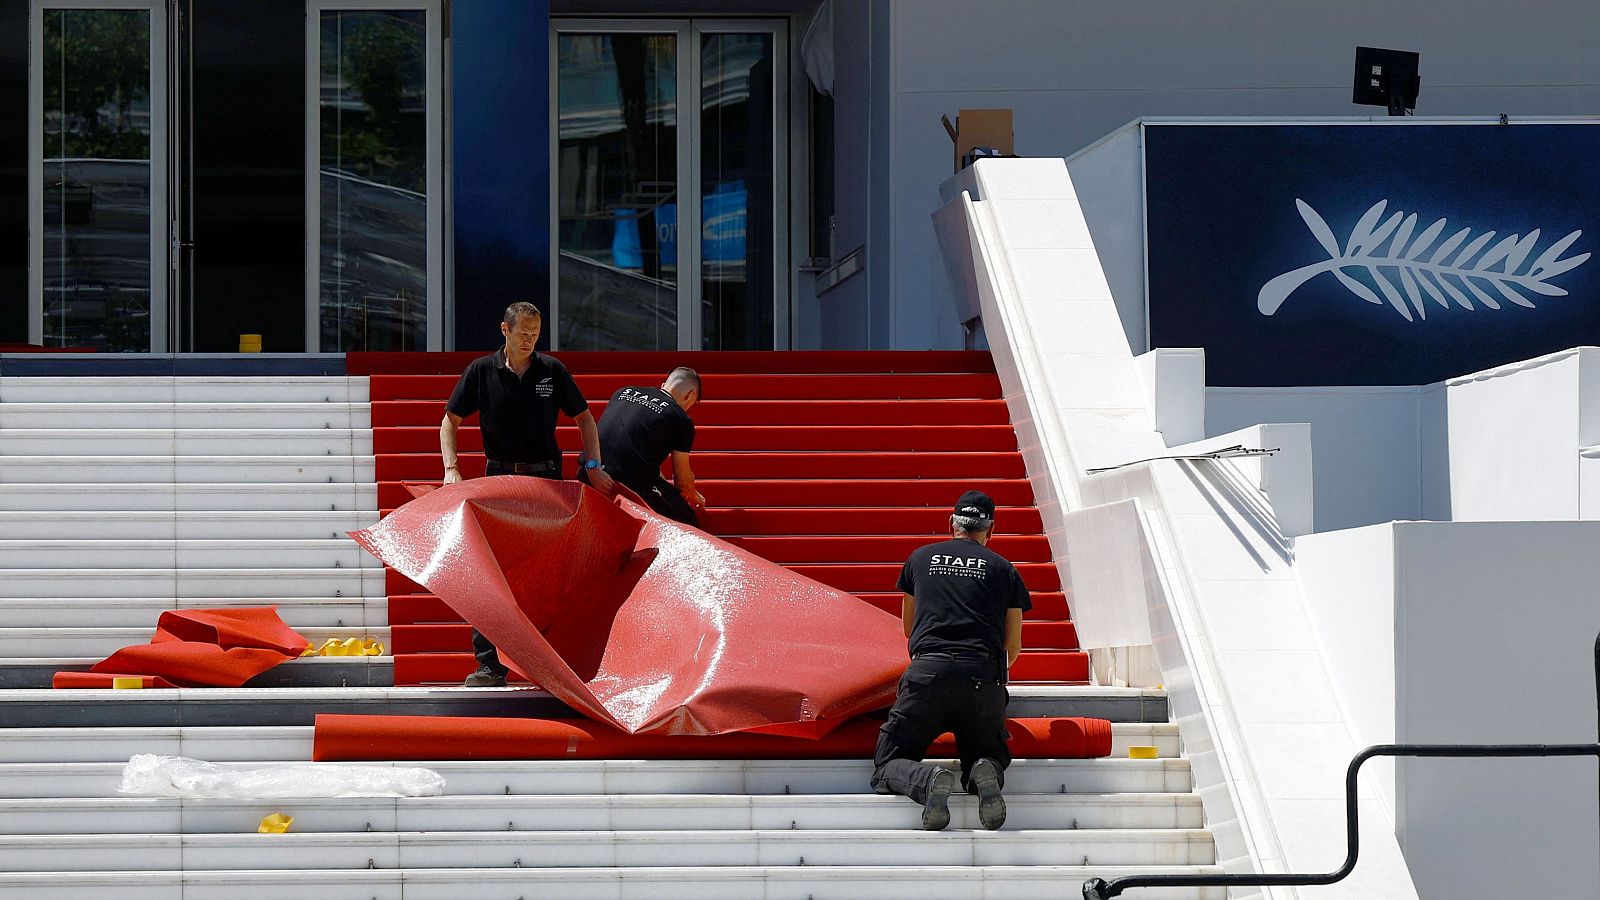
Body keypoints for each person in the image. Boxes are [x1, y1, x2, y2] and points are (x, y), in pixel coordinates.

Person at [439, 301, 615, 687]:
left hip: (545, 479)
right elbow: (449, 420)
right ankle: (489, 665)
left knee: (547, 573)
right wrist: (452, 469)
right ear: (504, 329)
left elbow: (584, 417)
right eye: (523, 334)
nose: (530, 340)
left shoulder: (552, 370)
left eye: (535, 334)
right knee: (492, 574)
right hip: (499, 479)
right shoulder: (482, 371)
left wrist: (594, 466)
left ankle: (549, 664)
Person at [870, 490, 1030, 831]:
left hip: (929, 670)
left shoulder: (919, 558)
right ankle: (982, 768)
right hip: (981, 673)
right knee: (987, 748)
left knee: (889, 761)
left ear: (951, 523)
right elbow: (1012, 645)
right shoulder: (1005, 569)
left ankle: (927, 779)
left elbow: (909, 627)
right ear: (991, 530)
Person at [588, 367, 704, 526]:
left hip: (589, 473)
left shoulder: (623, 392)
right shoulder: (680, 418)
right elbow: (682, 480)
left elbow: (609, 438)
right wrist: (694, 496)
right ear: (690, 395)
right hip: (627, 482)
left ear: (664, 385)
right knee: (686, 520)